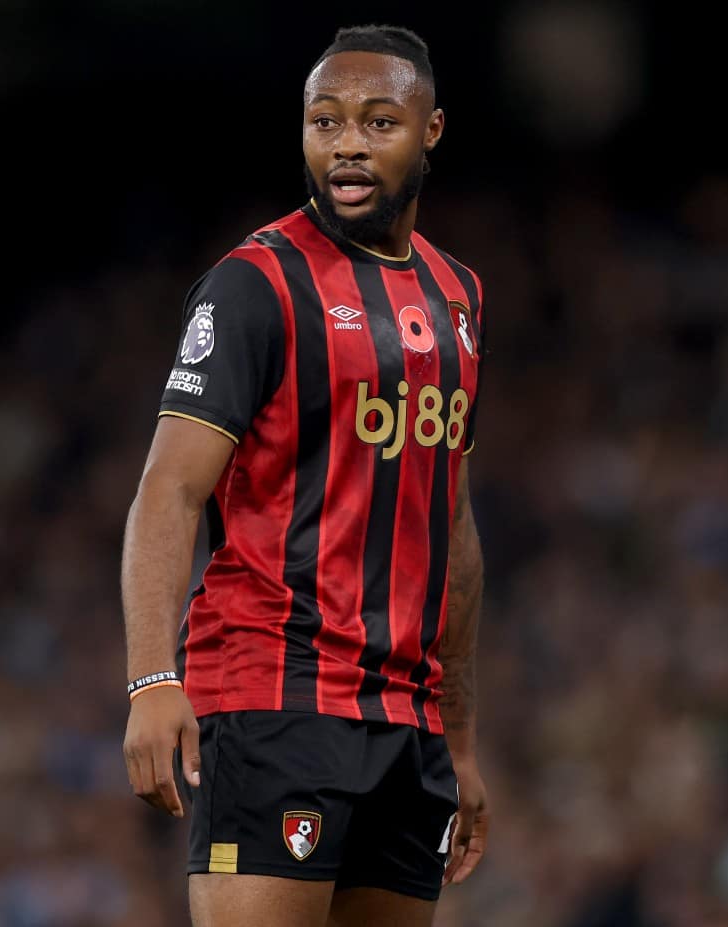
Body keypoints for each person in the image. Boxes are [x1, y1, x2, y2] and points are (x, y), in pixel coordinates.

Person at [121, 24, 489, 927]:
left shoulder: (459, 297)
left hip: (409, 721)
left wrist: (462, 736)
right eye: (324, 121)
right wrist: (150, 678)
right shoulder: (255, 285)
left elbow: (452, 530)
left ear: (431, 130)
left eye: (377, 121)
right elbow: (169, 488)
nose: (348, 143)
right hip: (276, 696)